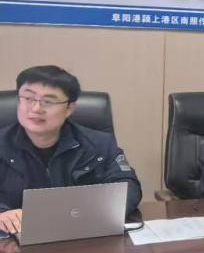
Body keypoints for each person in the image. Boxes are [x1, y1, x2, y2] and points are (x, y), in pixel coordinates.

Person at [0, 65, 141, 234]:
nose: (36, 109)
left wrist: (91, 213)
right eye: (28, 98)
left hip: (82, 235)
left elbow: (128, 186)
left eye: (48, 101)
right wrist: (2, 214)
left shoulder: (100, 144)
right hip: (13, 240)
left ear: (69, 109)